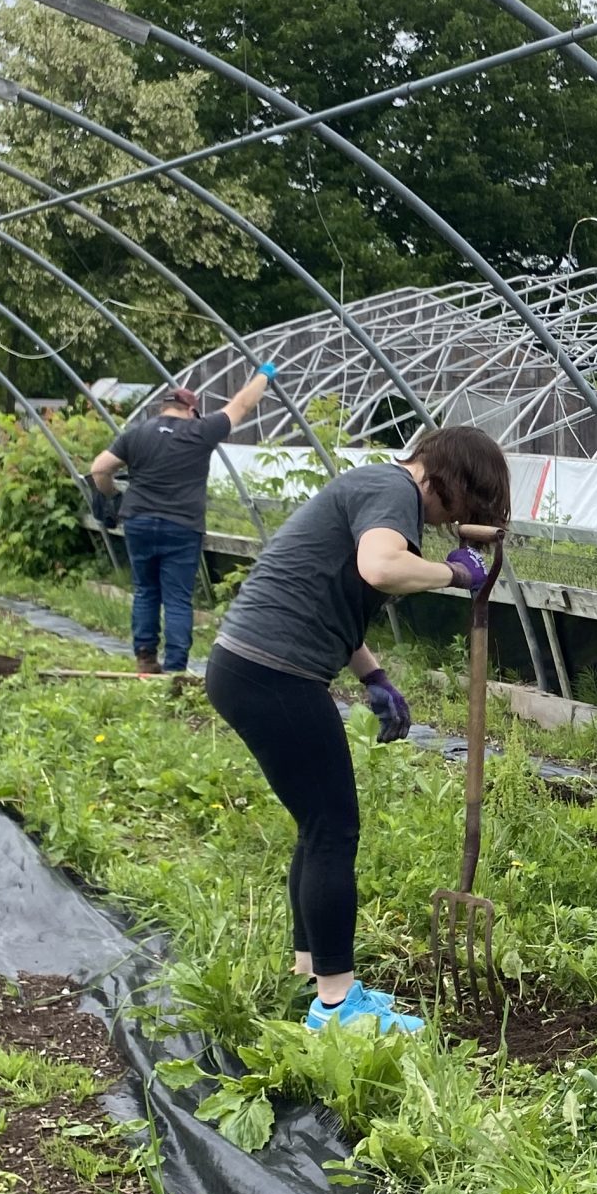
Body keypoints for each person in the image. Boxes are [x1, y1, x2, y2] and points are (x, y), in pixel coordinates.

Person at [205, 425, 508, 1036]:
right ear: (451, 480)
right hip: (273, 672)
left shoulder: (376, 488)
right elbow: (378, 567)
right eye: (467, 507)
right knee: (334, 827)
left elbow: (330, 593)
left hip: (251, 665)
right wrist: (452, 576)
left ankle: (311, 971)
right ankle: (338, 1007)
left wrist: (373, 675)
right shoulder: (393, 487)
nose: (457, 522)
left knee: (317, 824)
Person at [89, 364, 275, 674]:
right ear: (191, 410)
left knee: (146, 590)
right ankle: (175, 669)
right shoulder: (200, 431)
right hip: (181, 526)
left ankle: (146, 660)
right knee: (177, 597)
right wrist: (264, 375)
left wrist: (111, 496)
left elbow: (99, 469)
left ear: (164, 408)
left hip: (139, 521)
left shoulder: (137, 434)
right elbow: (241, 404)